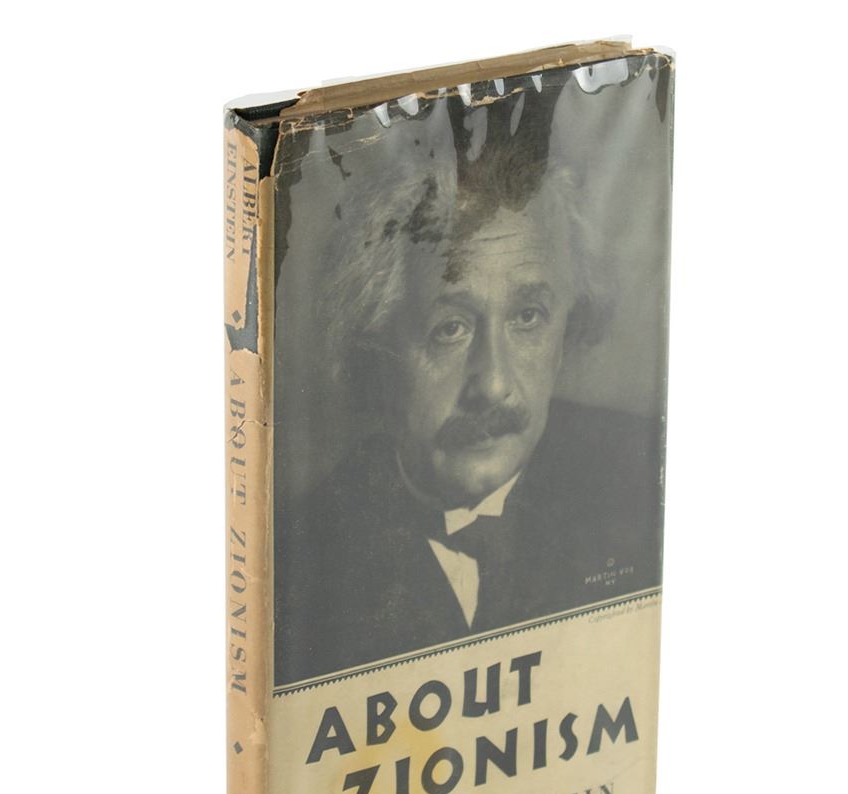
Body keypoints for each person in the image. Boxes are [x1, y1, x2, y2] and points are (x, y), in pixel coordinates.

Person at [275, 135, 663, 685]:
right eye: (450, 329)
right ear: (377, 348)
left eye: (528, 317)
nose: (495, 385)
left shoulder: (642, 477)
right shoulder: (298, 566)